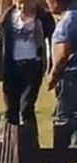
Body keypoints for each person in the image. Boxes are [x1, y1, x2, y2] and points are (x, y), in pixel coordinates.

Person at [0, 0, 55, 149]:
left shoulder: (43, 17)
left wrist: (52, 68)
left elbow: (54, 41)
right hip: (11, 68)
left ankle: (31, 147)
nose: (21, 6)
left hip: (33, 67)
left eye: (25, 2)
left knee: (26, 106)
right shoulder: (6, 19)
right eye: (18, 2)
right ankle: (10, 148)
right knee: (10, 109)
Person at [47, 0, 77, 148]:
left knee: (65, 120)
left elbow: (63, 52)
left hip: (70, 80)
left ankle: (64, 160)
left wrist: (52, 77)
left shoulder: (69, 20)